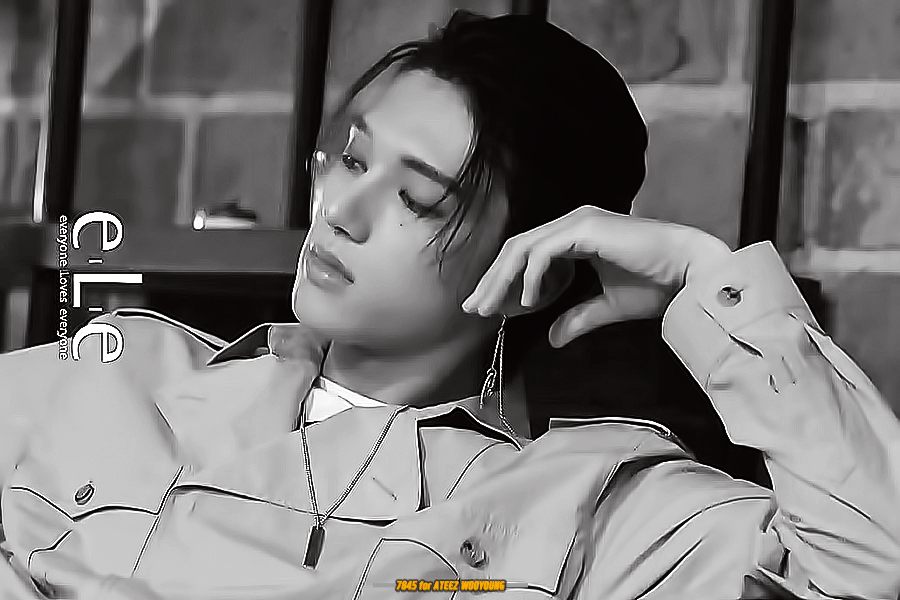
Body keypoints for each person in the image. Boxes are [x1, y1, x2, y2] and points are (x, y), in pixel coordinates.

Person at [1, 10, 899, 600]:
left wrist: (705, 274)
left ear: (535, 266)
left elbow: (869, 572)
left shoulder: (591, 503)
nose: (341, 212)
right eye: (353, 160)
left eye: (418, 199)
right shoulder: (118, 370)